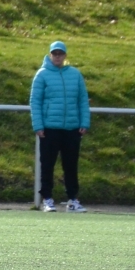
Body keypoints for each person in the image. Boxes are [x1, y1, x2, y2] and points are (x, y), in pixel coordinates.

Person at [31, 39, 90, 212]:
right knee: (47, 165)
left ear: (65, 56)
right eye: (54, 53)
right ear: (50, 55)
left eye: (60, 54)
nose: (57, 57)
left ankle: (73, 199)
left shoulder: (75, 74)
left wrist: (84, 122)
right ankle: (47, 199)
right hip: (50, 127)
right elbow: (35, 101)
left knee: (71, 165)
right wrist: (38, 126)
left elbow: (82, 100)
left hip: (72, 127)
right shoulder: (41, 75)